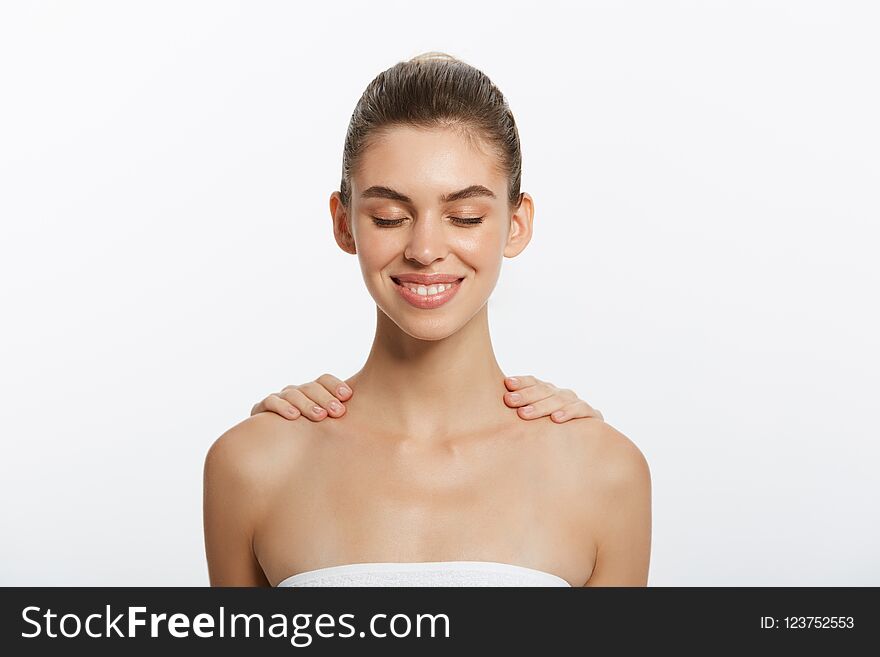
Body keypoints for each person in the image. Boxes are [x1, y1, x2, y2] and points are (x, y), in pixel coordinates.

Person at [204, 51, 651, 587]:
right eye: (389, 217)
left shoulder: (603, 473)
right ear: (344, 224)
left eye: (465, 216)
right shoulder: (253, 466)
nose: (425, 249)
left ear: (516, 224)